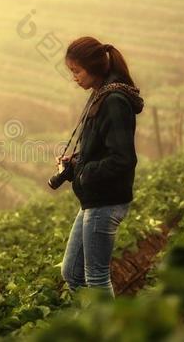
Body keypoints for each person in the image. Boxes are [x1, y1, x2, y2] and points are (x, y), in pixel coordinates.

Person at [55, 36, 144, 299]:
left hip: (106, 201)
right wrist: (76, 163)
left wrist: (84, 172)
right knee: (72, 273)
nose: (74, 78)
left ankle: (106, 330)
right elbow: (102, 148)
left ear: (93, 67)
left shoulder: (114, 100)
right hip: (94, 200)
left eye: (77, 71)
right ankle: (94, 325)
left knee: (95, 276)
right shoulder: (101, 94)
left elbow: (123, 158)